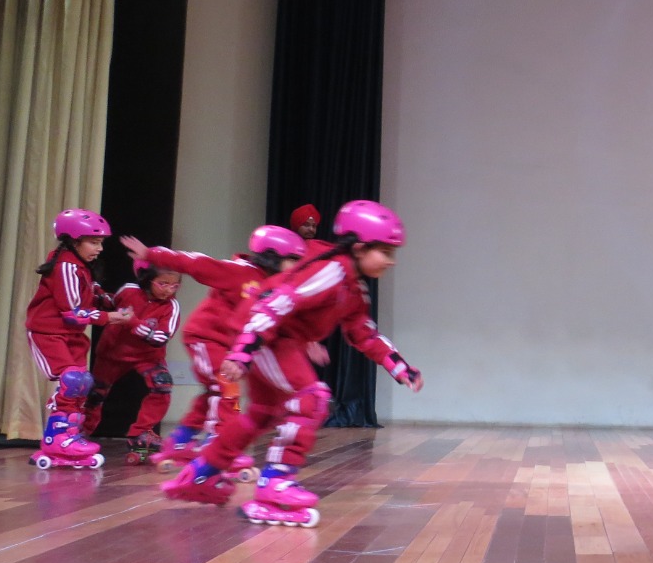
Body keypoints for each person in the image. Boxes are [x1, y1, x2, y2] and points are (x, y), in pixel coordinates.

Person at [161, 201, 424, 526]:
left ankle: (200, 475)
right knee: (311, 400)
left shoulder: (353, 287)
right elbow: (278, 302)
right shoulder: (332, 270)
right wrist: (244, 351)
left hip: (274, 338)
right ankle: (276, 483)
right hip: (266, 335)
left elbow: (364, 333)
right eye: (385, 251)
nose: (390, 260)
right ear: (359, 247)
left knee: (262, 413)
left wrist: (399, 366)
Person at [122, 226, 305, 474]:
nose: (297, 266)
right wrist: (152, 254)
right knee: (227, 386)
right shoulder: (239, 272)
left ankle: (179, 443)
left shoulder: (276, 287)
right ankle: (220, 445)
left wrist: (308, 343)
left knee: (213, 394)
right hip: (205, 337)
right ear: (272, 256)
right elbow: (197, 264)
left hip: (227, 346)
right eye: (292, 259)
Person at [24, 209, 133, 468]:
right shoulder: (66, 266)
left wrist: (114, 300)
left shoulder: (81, 266)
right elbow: (73, 313)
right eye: (94, 242)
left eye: (101, 243)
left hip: (71, 335)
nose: (99, 249)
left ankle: (69, 435)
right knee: (71, 380)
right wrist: (110, 317)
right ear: (73, 241)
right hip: (49, 332)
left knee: (82, 383)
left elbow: (92, 294)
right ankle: (56, 439)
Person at [82, 262, 182, 461]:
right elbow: (109, 303)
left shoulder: (172, 306)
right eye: (163, 284)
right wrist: (93, 290)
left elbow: (160, 338)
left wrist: (133, 322)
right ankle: (81, 433)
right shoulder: (129, 290)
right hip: (112, 353)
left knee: (162, 385)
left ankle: (141, 432)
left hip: (148, 356)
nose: (168, 290)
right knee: (95, 395)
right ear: (148, 280)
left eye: (174, 286)